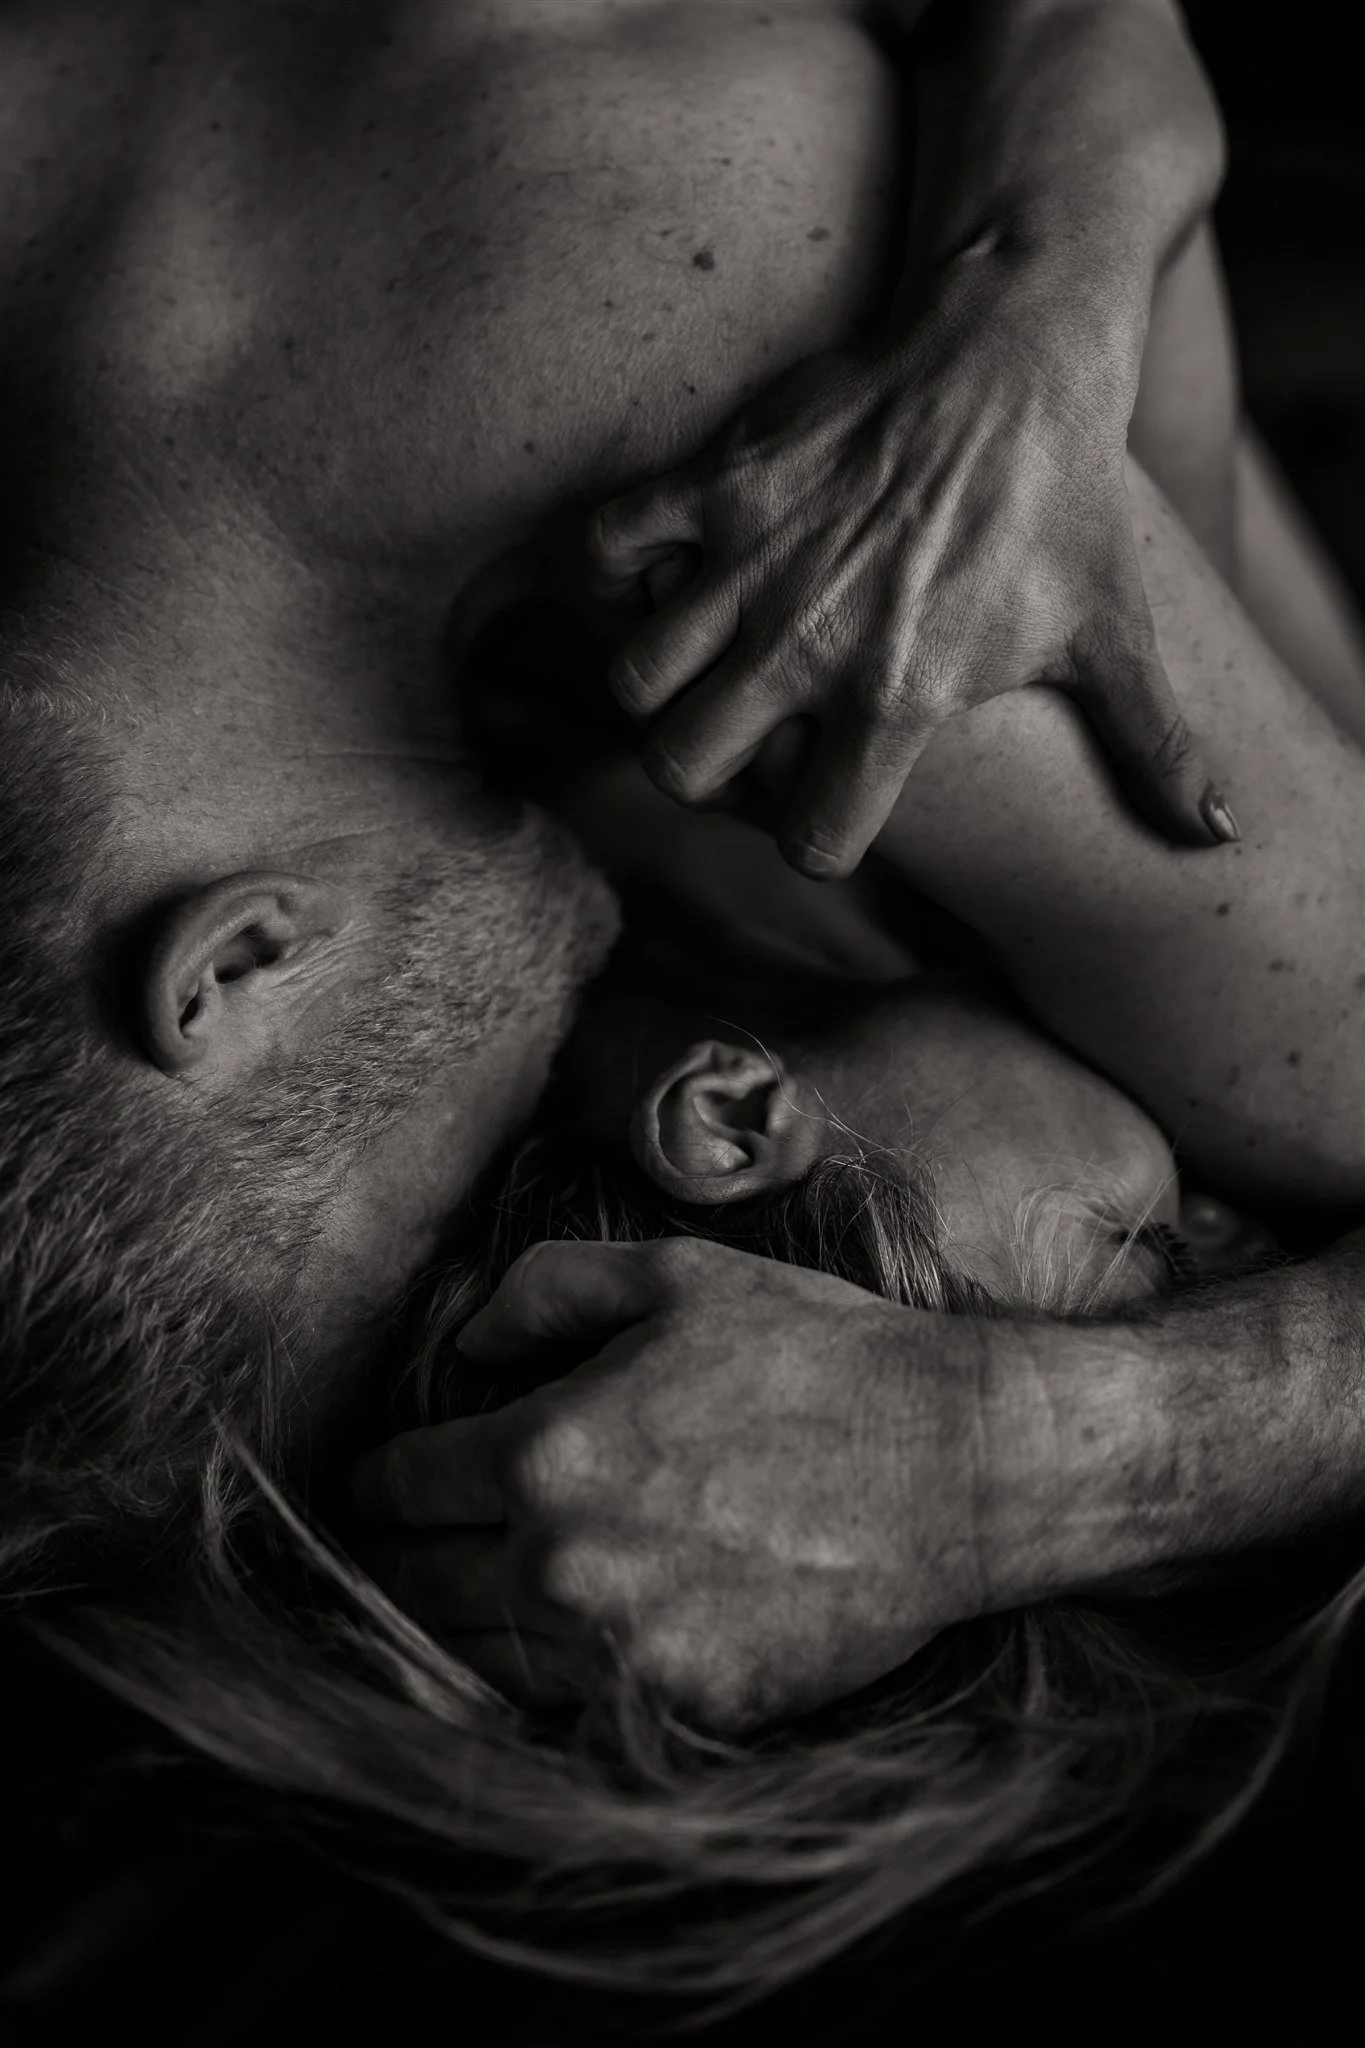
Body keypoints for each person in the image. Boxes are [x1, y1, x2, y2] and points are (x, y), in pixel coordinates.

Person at [0, 0, 1360, 2016]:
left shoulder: (761, 571)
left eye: (419, 1208)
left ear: (235, 972)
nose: (541, 1101)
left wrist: (1016, 1457)